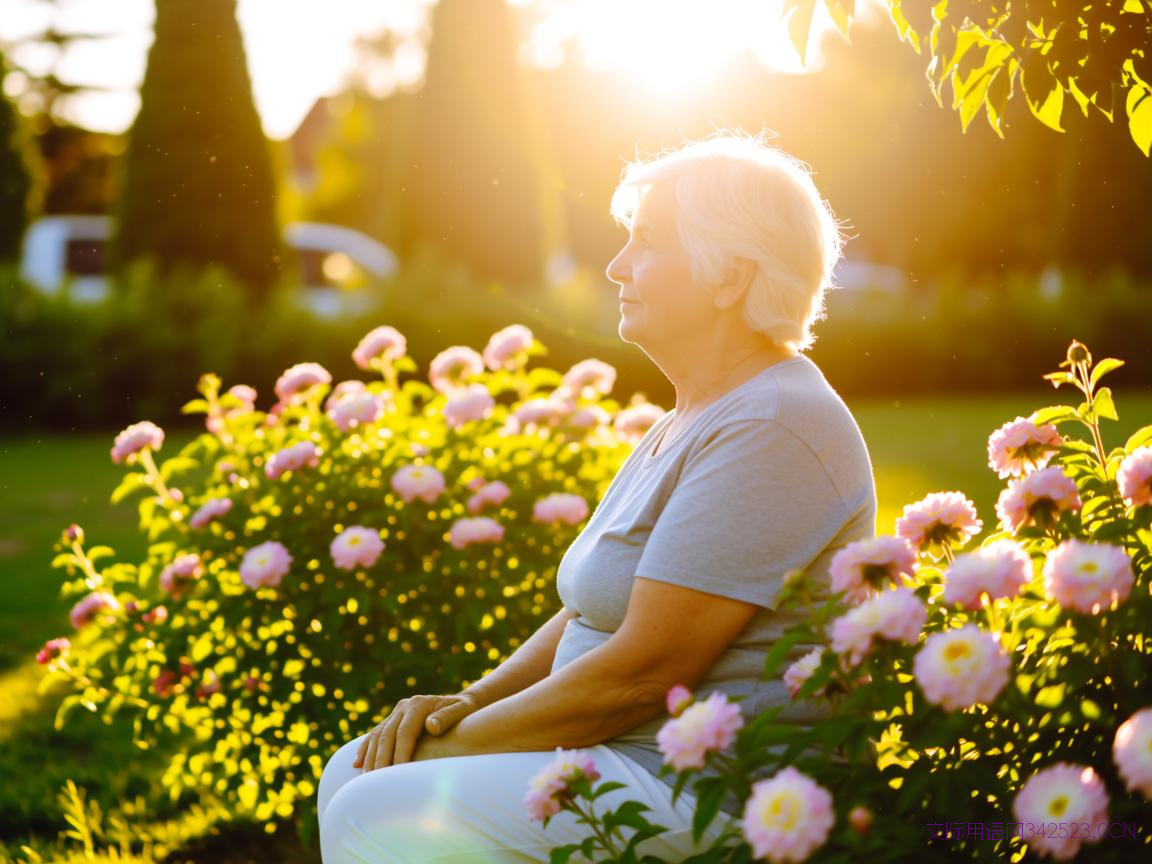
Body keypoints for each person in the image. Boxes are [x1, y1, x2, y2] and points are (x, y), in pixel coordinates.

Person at [317, 130, 877, 863]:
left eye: (645, 243)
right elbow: (590, 609)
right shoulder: (696, 413)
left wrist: (444, 748)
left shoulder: (773, 422)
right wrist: (467, 705)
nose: (616, 267)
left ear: (729, 276)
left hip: (713, 791)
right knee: (352, 772)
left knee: (374, 804)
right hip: (626, 759)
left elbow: (641, 676)